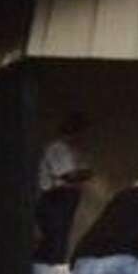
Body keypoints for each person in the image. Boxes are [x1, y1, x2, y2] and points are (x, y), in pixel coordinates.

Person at [35, 112, 93, 264]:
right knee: (55, 240)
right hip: (55, 198)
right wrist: (82, 174)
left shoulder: (71, 150)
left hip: (65, 197)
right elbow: (68, 175)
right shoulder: (58, 148)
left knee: (60, 239)